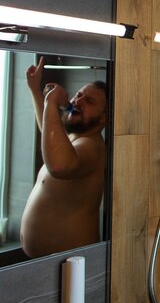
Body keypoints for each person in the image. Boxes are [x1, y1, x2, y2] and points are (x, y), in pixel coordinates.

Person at [20, 57, 108, 258]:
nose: (78, 101)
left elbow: (59, 165)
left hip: (70, 268)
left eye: (89, 101)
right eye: (78, 95)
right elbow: (50, 134)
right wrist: (36, 90)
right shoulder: (75, 139)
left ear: (103, 118)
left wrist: (51, 102)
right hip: (52, 265)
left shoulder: (91, 147)